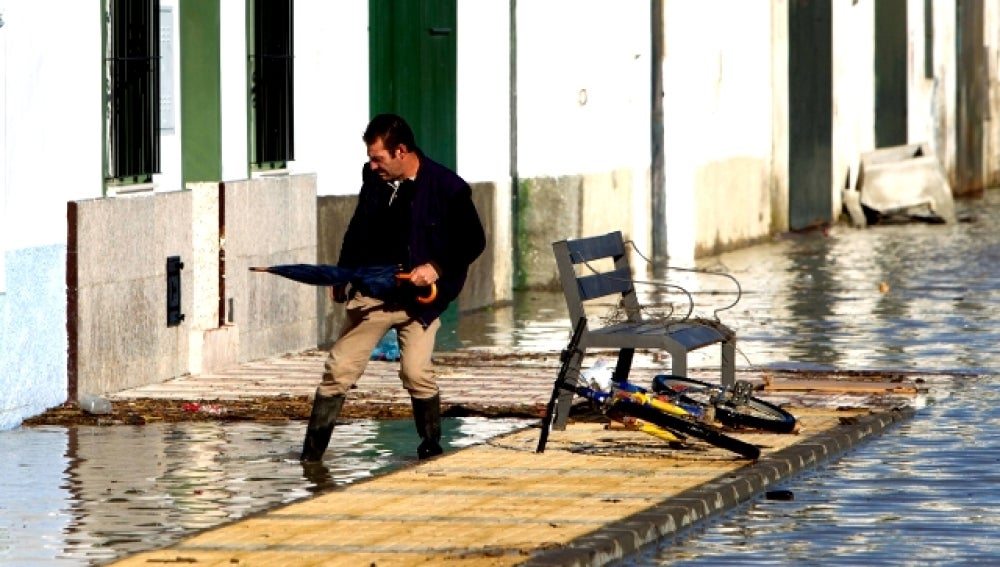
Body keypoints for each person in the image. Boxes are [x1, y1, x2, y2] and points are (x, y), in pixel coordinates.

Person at [300, 113, 486, 463]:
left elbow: (474, 240)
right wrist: (343, 274)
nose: (372, 165)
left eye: (378, 158)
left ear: (401, 151)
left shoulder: (449, 187)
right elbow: (358, 227)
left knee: (416, 373)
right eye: (370, 158)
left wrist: (436, 267)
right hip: (375, 294)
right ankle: (311, 459)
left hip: (421, 301)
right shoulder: (374, 179)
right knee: (339, 370)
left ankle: (430, 450)